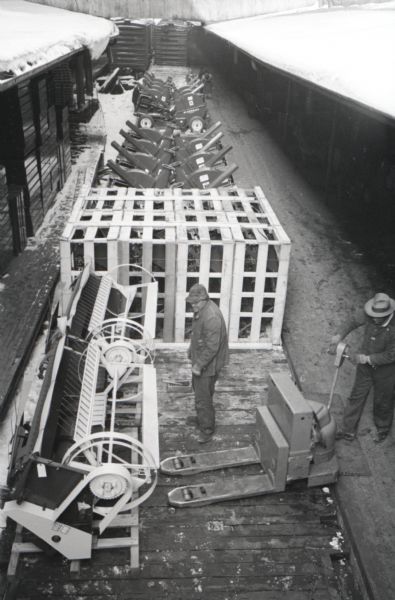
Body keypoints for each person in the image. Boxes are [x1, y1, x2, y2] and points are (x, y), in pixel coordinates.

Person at [330, 292, 395, 443]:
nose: (374, 318)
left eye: (378, 317)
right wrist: (339, 335)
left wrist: (368, 358)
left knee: (383, 400)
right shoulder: (371, 314)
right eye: (372, 315)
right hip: (365, 368)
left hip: (386, 372)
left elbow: (392, 355)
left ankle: (383, 428)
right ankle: (348, 430)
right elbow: (353, 320)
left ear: (388, 313)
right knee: (356, 397)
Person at [186, 283, 229, 443]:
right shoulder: (202, 309)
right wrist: (192, 348)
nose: (193, 305)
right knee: (201, 392)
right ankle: (202, 418)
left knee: (203, 396)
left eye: (195, 302)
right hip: (203, 359)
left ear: (204, 299)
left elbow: (212, 347)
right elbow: (198, 333)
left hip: (209, 364)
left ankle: (207, 428)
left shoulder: (211, 316)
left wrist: (198, 365)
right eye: (191, 302)